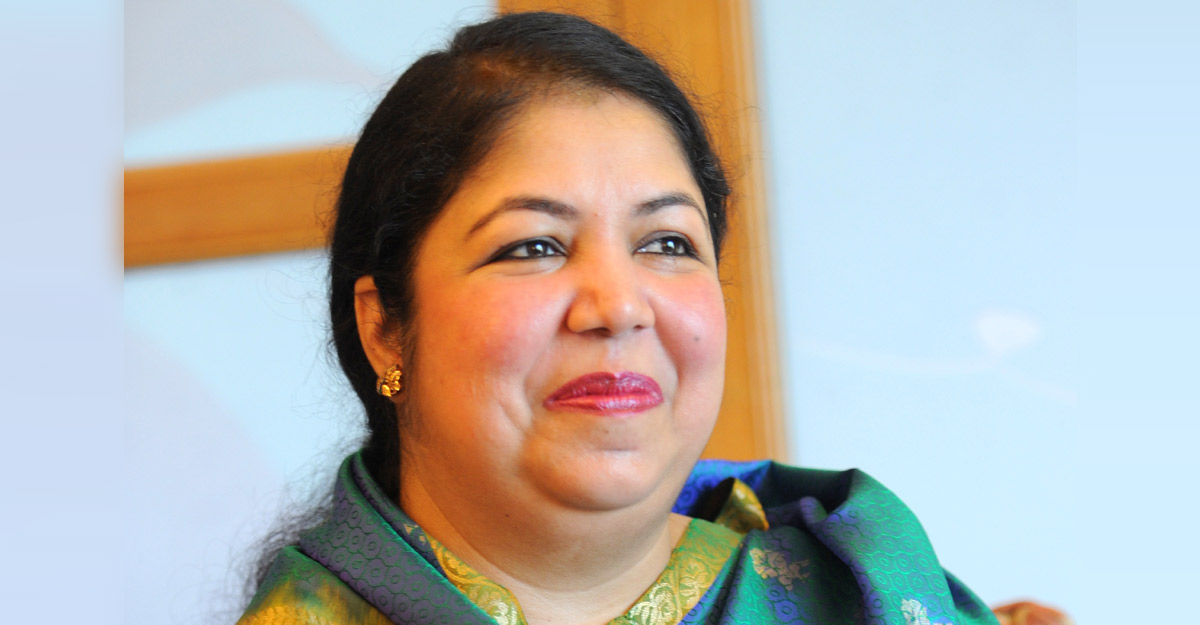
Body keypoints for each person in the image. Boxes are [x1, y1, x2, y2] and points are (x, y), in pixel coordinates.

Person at [239, 11, 1019, 625]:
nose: (618, 306)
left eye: (668, 243)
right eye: (534, 245)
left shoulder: (866, 596)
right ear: (385, 329)